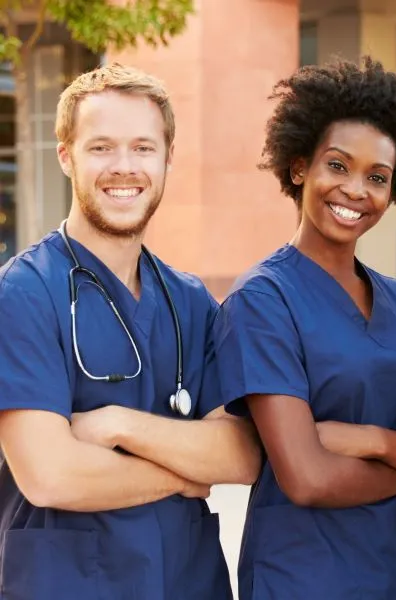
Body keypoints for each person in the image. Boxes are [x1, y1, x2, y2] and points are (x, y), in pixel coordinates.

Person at [0, 64, 261, 600]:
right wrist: (185, 476)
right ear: (66, 156)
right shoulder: (24, 293)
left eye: (143, 148)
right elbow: (51, 474)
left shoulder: (189, 300)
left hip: (187, 581)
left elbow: (241, 455)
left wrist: (118, 425)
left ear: (168, 158)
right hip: (67, 584)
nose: (124, 168)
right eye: (101, 148)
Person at [211, 57, 396, 599]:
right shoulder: (263, 300)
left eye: (377, 177)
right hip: (304, 576)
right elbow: (307, 478)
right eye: (337, 166)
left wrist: (372, 439)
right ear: (300, 169)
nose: (356, 190)